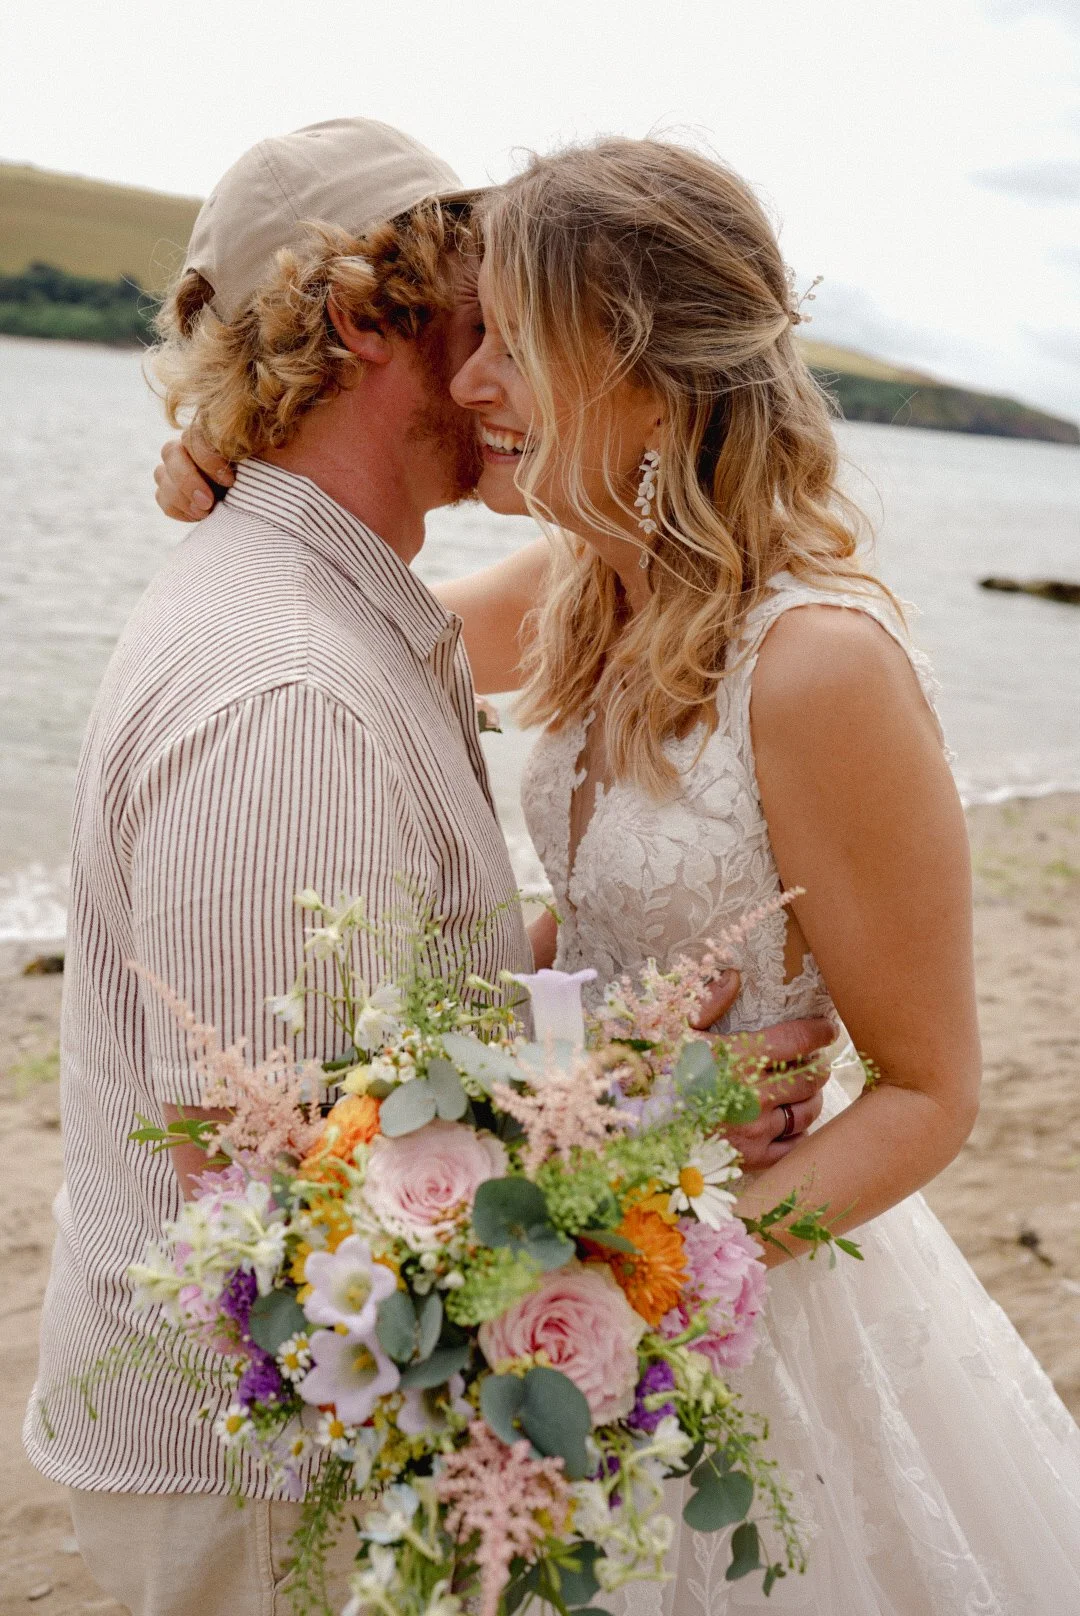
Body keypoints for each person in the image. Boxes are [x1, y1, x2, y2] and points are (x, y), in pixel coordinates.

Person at [160, 136, 1080, 1613]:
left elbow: (932, 1091)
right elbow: (328, 618)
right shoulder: (587, 583)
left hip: (734, 1281)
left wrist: (644, 1261)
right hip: (582, 1243)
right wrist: (227, 473)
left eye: (514, 348)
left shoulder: (818, 664)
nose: (470, 385)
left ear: (642, 370)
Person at [26, 121, 830, 1616]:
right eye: (484, 309)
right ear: (354, 317)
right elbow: (294, 1192)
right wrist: (676, 1088)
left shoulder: (334, 601)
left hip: (299, 1455)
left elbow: (389, 1026)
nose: (495, 366)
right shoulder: (294, 696)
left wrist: (614, 1007)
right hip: (269, 1487)